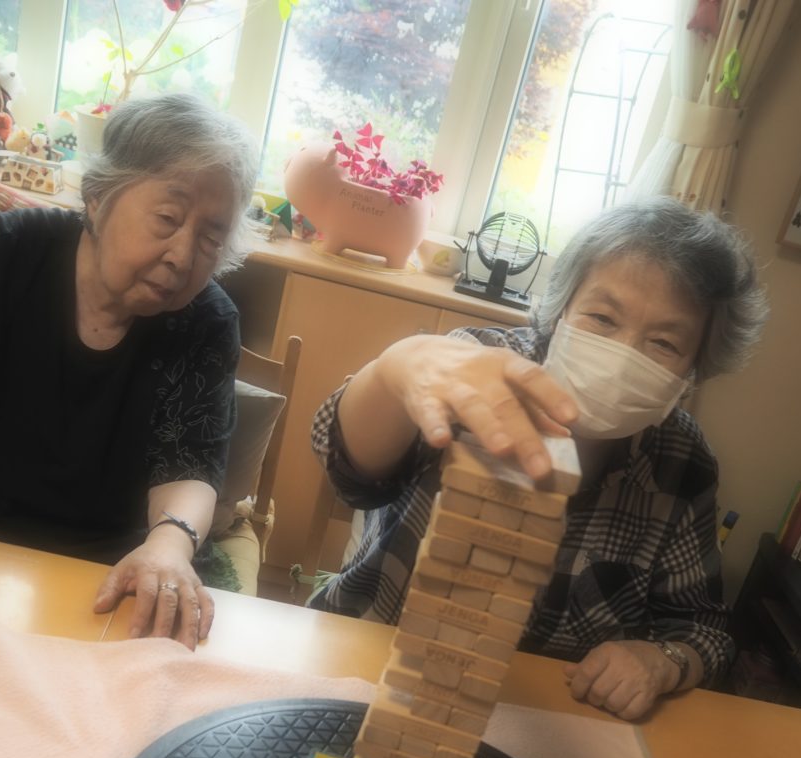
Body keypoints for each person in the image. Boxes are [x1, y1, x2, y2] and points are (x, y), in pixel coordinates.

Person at [308, 197, 769, 720]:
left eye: (663, 343)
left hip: (544, 717)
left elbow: (703, 627)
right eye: (602, 317)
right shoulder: (474, 370)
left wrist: (662, 660)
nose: (622, 356)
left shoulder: (683, 461)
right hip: (371, 666)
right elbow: (351, 475)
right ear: (562, 309)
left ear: (692, 372)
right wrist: (394, 369)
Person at [0, 93, 258, 650]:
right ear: (99, 196)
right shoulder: (5, 251)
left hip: (110, 573)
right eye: (168, 219)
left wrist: (168, 546)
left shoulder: (206, 321)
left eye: (210, 238)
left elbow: (191, 465)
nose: (182, 256)